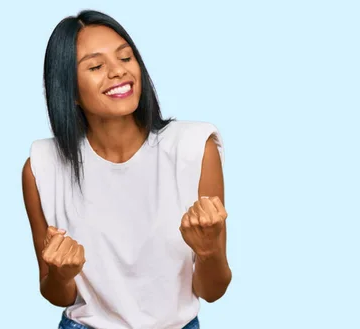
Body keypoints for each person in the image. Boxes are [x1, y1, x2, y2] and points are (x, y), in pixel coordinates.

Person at [22, 10, 232, 329]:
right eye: (96, 66)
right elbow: (57, 294)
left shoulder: (194, 147)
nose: (118, 72)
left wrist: (209, 252)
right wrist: (62, 274)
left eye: (126, 57)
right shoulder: (42, 166)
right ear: (69, 89)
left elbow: (212, 290)